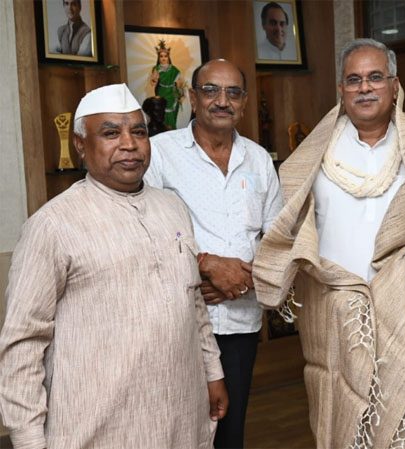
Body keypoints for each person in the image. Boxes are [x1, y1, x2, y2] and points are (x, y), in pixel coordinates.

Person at [252, 38, 405, 448]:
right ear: (341, 89)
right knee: (346, 422)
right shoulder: (315, 154)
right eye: (354, 80)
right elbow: (290, 227)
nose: (365, 88)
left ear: (394, 85)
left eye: (375, 77)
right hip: (339, 314)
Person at [0, 83, 228, 449]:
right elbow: (23, 342)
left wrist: (212, 372)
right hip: (97, 425)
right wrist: (28, 439)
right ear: (80, 144)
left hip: (180, 411)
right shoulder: (53, 225)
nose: (129, 144)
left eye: (138, 132)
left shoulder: (173, 207)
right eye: (110, 133)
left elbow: (193, 303)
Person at [144, 59, 283, 449]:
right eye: (211, 90)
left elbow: (277, 240)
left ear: (244, 102)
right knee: (176, 431)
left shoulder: (258, 159)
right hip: (178, 323)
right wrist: (204, 266)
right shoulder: (160, 153)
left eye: (233, 92)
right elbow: (143, 234)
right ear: (192, 97)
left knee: (228, 432)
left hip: (240, 322)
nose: (222, 101)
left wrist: (240, 281)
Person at [150, 40, 185, 129]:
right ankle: (163, 130)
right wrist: (154, 79)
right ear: (158, 58)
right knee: (162, 113)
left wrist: (181, 94)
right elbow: (153, 83)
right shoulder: (156, 69)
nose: (163, 58)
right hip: (161, 92)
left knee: (171, 113)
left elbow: (180, 84)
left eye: (165, 56)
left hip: (172, 94)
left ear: (168, 57)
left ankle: (171, 130)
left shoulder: (174, 70)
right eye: (161, 56)